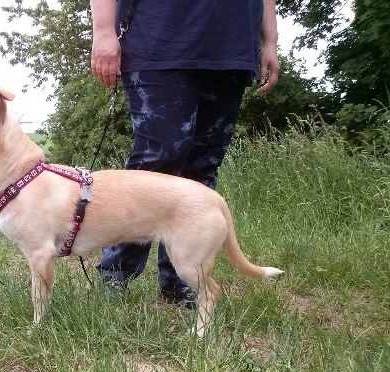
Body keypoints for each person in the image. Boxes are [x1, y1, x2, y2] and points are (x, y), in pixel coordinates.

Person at [89, 0, 279, 304]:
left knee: (203, 168)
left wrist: (270, 41)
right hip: (158, 38)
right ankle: (115, 274)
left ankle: (182, 279)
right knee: (154, 163)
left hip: (232, 44)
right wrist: (102, 32)